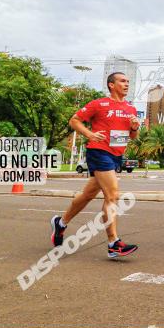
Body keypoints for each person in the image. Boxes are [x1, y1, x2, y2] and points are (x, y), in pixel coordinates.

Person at [50, 72, 141, 258]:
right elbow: (74, 120)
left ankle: (61, 222)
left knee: (88, 195)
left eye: (128, 82)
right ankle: (113, 243)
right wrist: (90, 135)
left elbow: (133, 137)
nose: (126, 84)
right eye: (122, 81)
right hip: (99, 151)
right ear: (111, 85)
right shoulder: (99, 104)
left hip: (116, 155)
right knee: (112, 194)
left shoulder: (131, 109)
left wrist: (134, 128)